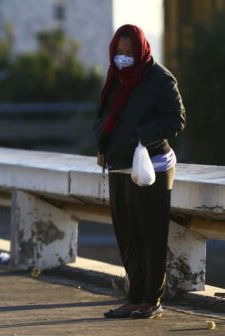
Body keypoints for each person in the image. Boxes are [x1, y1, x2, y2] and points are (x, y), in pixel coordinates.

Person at [94, 25, 186, 319]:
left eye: (128, 53)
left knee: (151, 233)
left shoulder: (159, 78)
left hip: (152, 166)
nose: (122, 58)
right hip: (119, 165)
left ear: (141, 50)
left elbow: (176, 119)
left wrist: (141, 137)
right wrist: (103, 143)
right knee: (127, 233)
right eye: (118, 53)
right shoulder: (115, 78)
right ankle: (134, 298)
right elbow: (105, 116)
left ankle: (152, 300)